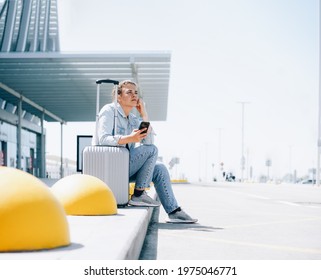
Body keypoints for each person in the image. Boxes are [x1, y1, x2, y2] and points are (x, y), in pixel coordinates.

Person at [96, 80, 197, 224]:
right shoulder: (109, 110)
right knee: (152, 151)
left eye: (136, 92)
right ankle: (138, 195)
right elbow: (103, 139)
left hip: (125, 167)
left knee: (160, 168)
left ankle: (173, 212)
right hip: (110, 167)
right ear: (118, 97)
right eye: (129, 92)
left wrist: (144, 115)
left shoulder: (133, 118)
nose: (134, 95)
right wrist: (128, 138)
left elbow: (149, 143)